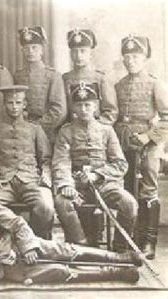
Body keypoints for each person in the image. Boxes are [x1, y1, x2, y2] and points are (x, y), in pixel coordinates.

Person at [0, 159, 141, 284]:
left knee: (65, 250)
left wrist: (27, 246)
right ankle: (119, 273)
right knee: (57, 271)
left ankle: (121, 258)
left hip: (13, 243)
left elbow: (17, 223)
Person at [53, 82, 138, 252]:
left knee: (129, 204)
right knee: (62, 202)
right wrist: (66, 185)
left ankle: (119, 250)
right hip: (77, 186)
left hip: (105, 185)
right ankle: (81, 247)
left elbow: (120, 164)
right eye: (79, 105)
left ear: (95, 107)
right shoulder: (66, 131)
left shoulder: (107, 131)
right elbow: (60, 162)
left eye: (88, 105)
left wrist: (97, 175)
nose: (84, 109)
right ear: (73, 108)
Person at [114, 35, 168, 259]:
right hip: (125, 142)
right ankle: (131, 238)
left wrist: (147, 137)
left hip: (149, 144)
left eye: (135, 56)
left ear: (145, 58)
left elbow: (166, 118)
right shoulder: (119, 85)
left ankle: (149, 242)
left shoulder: (156, 84)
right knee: (127, 189)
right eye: (127, 57)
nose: (130, 61)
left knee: (147, 190)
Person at [0, 85, 54, 239]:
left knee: (46, 207)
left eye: (18, 103)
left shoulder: (34, 129)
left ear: (24, 104)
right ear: (4, 104)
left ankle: (38, 242)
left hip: (31, 180)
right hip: (3, 182)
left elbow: (46, 158)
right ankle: (1, 243)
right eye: (10, 103)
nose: (14, 107)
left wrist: (46, 176)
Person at [13, 26, 66, 143]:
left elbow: (59, 110)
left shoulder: (53, 75)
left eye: (34, 47)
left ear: (42, 50)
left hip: (46, 132)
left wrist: (38, 126)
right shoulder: (17, 76)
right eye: (26, 48)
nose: (30, 51)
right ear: (22, 50)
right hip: (22, 131)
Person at [63, 28, 118, 124]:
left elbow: (111, 112)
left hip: (97, 131)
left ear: (90, 54)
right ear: (71, 54)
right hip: (71, 131)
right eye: (75, 51)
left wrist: (96, 128)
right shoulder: (65, 78)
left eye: (83, 51)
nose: (79, 56)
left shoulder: (101, 79)